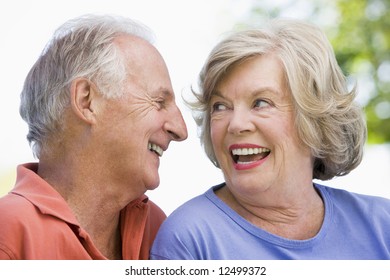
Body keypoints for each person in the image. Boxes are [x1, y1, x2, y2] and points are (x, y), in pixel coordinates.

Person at [150, 18, 390, 260]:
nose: (236, 124)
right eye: (220, 106)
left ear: (316, 119)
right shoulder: (189, 240)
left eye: (261, 103)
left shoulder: (382, 224)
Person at [0, 14, 187, 260]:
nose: (181, 130)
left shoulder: (159, 229)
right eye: (159, 102)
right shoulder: (10, 234)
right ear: (87, 101)